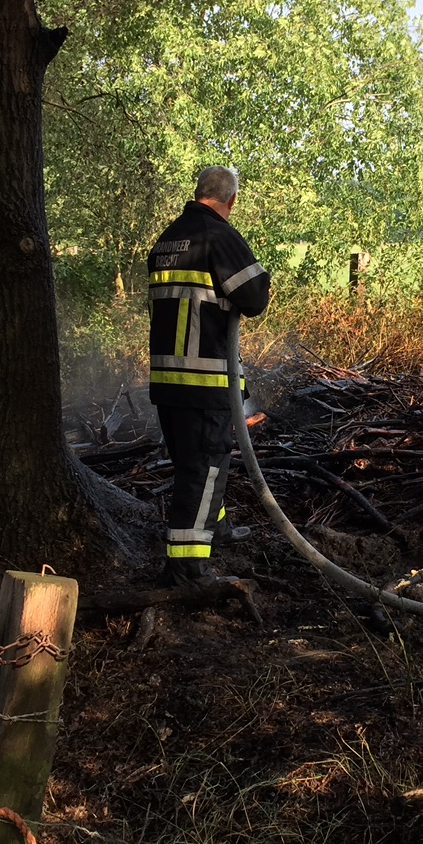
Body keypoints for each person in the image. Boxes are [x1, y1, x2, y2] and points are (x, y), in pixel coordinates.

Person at [147, 166, 271, 587]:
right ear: (231, 200)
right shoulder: (218, 235)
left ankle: (216, 529)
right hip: (204, 381)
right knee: (206, 468)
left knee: (192, 465)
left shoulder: (168, 238)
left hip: (168, 381)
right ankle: (186, 567)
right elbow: (254, 298)